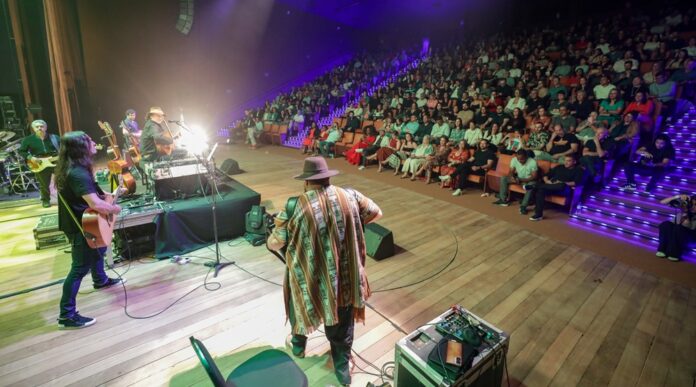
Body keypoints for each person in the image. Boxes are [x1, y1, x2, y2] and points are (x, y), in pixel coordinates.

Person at [267, 156, 382, 386]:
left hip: (311, 279)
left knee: (298, 302)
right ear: (328, 177)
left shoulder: (295, 205)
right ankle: (342, 369)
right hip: (346, 278)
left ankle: (298, 345)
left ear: (307, 182)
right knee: (343, 321)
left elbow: (275, 243)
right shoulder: (350, 195)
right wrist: (348, 228)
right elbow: (376, 213)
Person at [55, 131, 123, 329]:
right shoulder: (77, 173)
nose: (94, 142)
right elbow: (97, 204)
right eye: (89, 140)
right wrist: (114, 208)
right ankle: (66, 315)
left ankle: (100, 280)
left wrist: (111, 195)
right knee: (79, 268)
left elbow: (95, 195)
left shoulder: (75, 168)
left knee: (99, 250)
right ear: (81, 148)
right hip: (80, 226)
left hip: (84, 222)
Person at [529, 154, 584, 221]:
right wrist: (547, 181)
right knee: (541, 191)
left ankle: (535, 186)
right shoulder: (559, 167)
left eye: (569, 161)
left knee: (561, 185)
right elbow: (546, 175)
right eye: (565, 160)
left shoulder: (578, 170)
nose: (566, 162)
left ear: (574, 162)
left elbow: (576, 183)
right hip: (552, 187)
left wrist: (562, 182)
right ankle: (538, 215)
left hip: (564, 189)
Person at [18, 120, 59, 207]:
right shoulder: (28, 140)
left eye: (41, 126)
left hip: (55, 161)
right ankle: (45, 200)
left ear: (46, 127)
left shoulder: (54, 137)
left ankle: (65, 199)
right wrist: (31, 158)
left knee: (63, 181)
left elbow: (64, 148)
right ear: (33, 128)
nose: (39, 128)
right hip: (39, 163)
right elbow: (21, 151)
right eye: (37, 127)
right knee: (44, 184)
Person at [493, 149, 539, 214]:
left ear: (526, 156)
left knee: (531, 186)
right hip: (519, 179)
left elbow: (534, 177)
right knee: (504, 178)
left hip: (529, 180)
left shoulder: (532, 162)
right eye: (518, 159)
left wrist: (520, 179)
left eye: (522, 159)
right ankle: (503, 200)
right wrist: (512, 177)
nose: (520, 161)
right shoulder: (514, 160)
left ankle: (523, 206)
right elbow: (511, 171)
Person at [657, 194, 696, 262]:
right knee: (666, 224)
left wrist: (687, 218)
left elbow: (691, 228)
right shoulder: (685, 209)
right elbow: (662, 202)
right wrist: (678, 196)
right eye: (692, 204)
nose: (693, 207)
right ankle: (662, 250)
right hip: (679, 233)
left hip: (691, 238)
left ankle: (674, 254)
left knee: (679, 228)